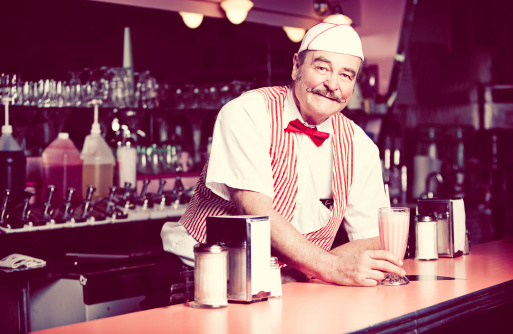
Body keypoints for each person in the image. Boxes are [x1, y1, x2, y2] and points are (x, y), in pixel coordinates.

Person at [141, 15, 405, 310]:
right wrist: (328, 268)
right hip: (196, 280)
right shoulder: (247, 114)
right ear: (296, 66)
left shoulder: (360, 146)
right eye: (321, 67)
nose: (332, 84)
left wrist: (303, 272)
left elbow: (372, 240)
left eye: (346, 75)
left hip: (291, 289)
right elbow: (255, 211)